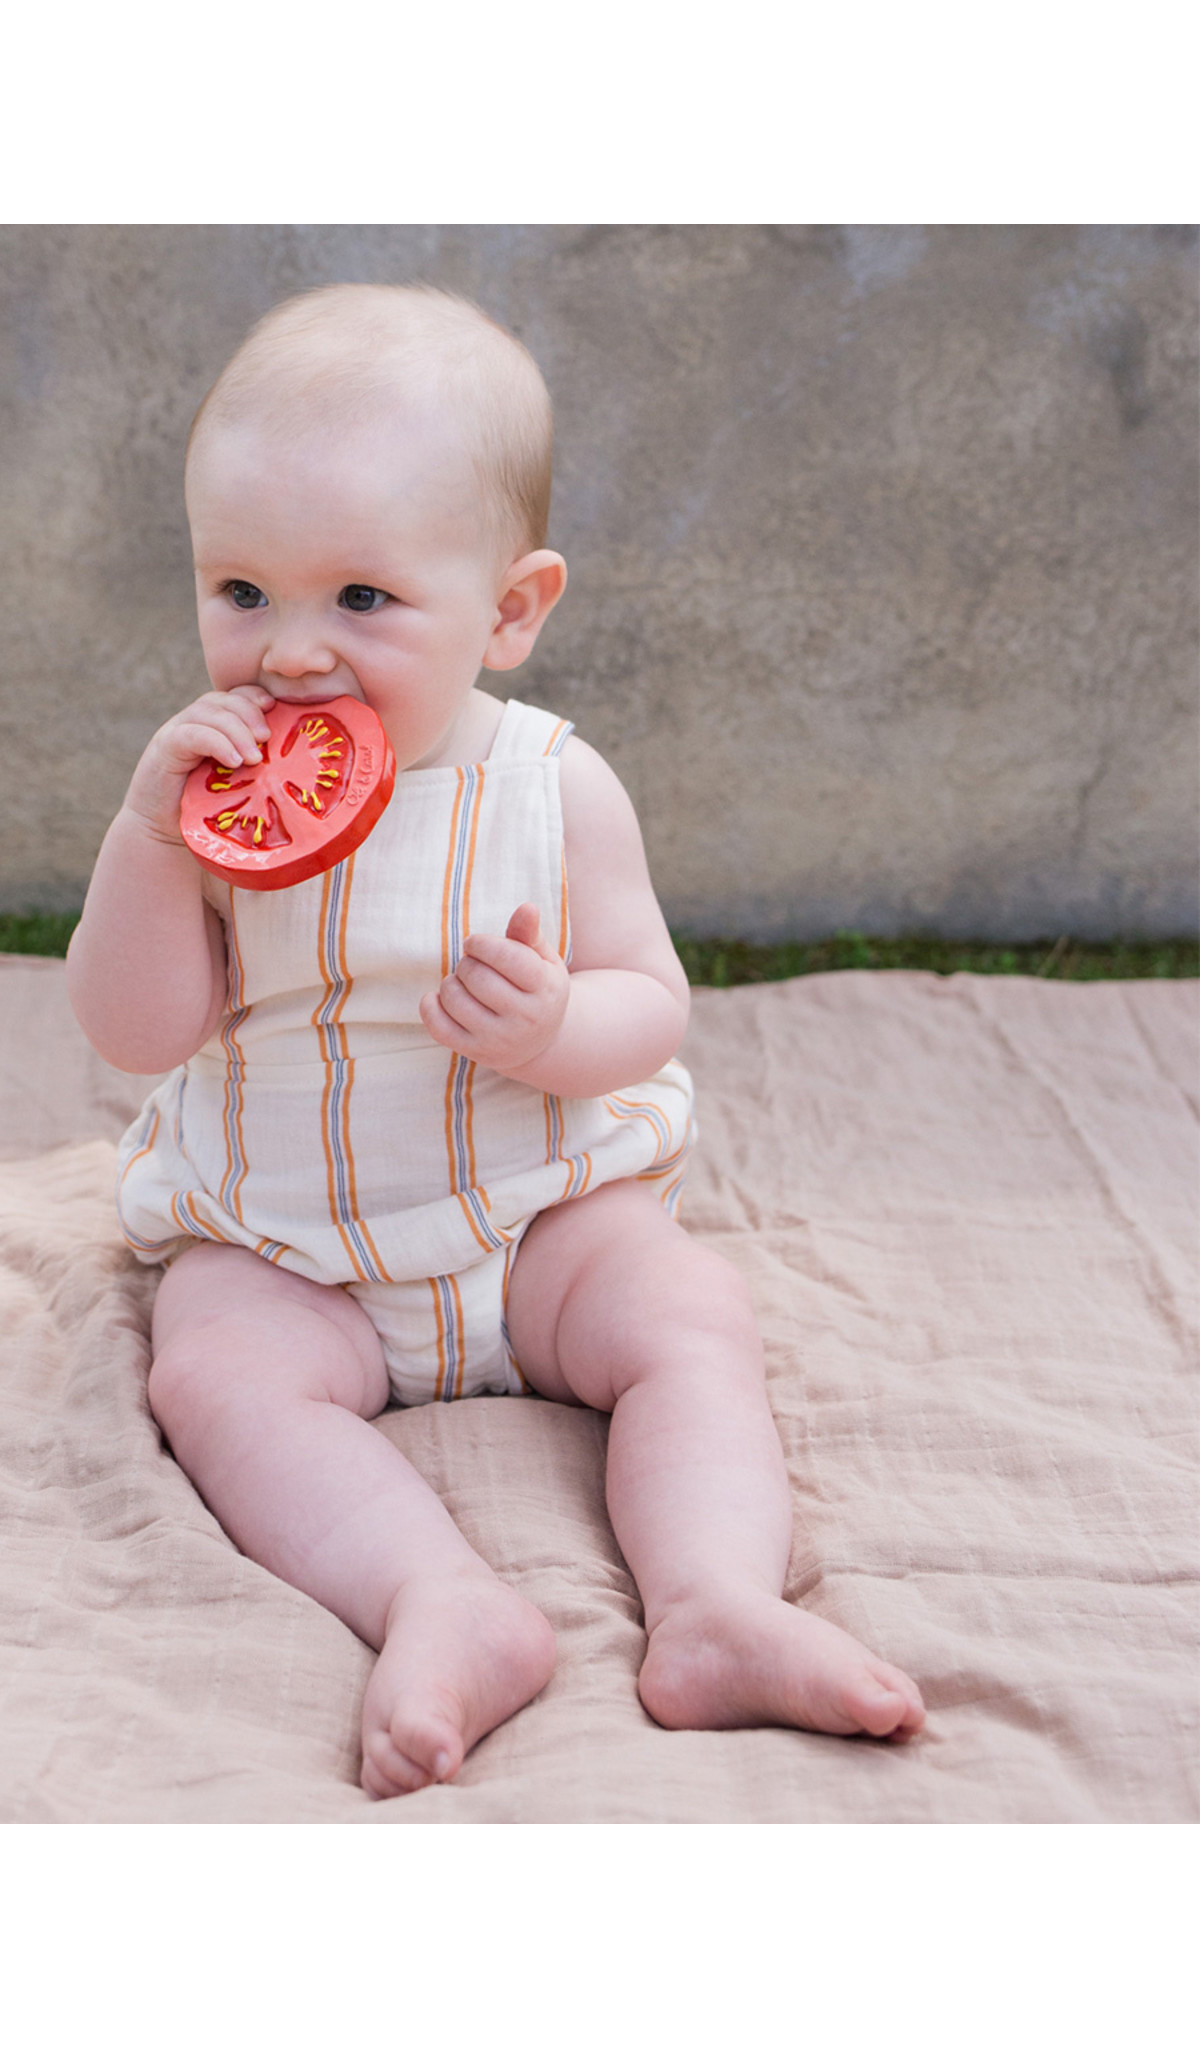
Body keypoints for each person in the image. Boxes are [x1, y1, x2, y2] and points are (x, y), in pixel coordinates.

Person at [67, 283, 926, 1798]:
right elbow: (140, 1030)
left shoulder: (552, 789)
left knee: (687, 1314)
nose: (288, 656)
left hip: (534, 1227)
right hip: (290, 1244)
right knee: (211, 1376)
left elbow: (650, 1001)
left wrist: (554, 1027)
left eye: (363, 601)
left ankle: (715, 1605)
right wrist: (146, 843)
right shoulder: (206, 803)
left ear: (511, 611)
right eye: (242, 593)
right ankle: (440, 1600)